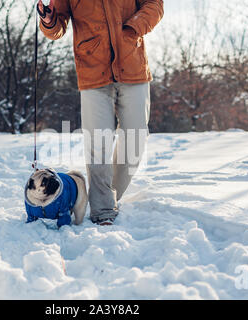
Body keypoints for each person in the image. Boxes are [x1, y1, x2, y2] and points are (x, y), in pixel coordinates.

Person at [37, 0, 164, 225]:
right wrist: (48, 20)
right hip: (92, 71)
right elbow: (57, 26)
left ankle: (109, 195)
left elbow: (155, 4)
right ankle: (103, 209)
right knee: (98, 141)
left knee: (135, 138)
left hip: (132, 66)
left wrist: (133, 28)